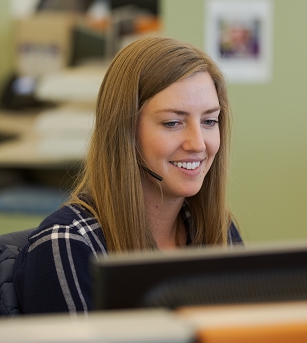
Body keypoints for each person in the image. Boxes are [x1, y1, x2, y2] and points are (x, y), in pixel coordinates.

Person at [12, 36, 242, 315]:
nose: (198, 143)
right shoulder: (67, 246)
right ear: (125, 132)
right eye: (172, 123)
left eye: (209, 121)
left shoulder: (216, 230)